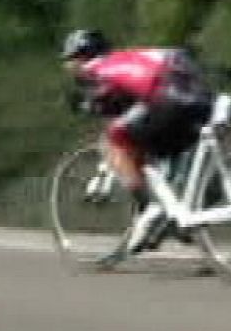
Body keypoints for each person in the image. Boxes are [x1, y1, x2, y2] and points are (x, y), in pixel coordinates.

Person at [59, 28, 215, 261]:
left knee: (114, 138)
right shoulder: (136, 56)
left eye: (69, 60)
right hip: (197, 94)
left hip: (164, 96)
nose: (68, 66)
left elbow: (105, 98)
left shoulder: (96, 67)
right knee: (161, 145)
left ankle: (147, 206)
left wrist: (85, 104)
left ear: (80, 56)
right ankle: (177, 214)